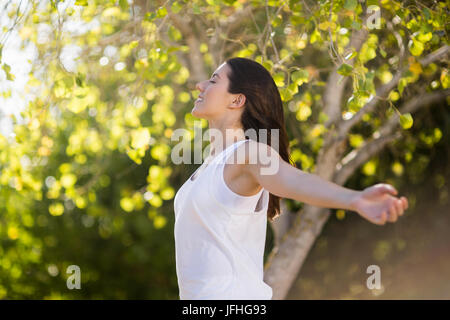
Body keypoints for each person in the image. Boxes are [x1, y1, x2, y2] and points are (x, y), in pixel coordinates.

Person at [173, 57, 408, 300]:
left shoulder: (248, 152)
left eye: (213, 81)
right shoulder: (210, 165)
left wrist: (354, 199)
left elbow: (292, 180)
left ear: (237, 99)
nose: (200, 85)